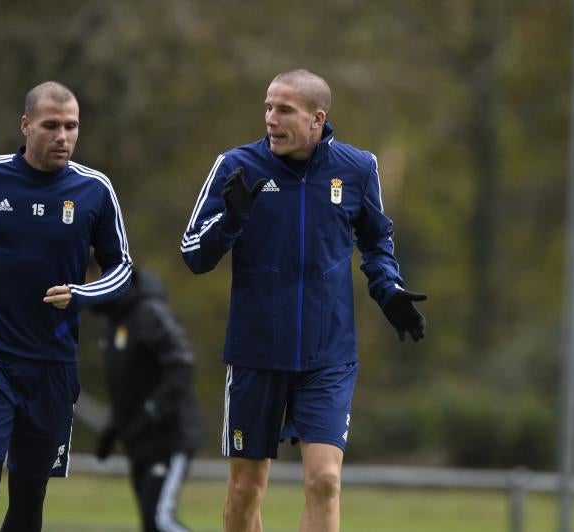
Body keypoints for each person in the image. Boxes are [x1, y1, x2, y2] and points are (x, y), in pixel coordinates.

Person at [180, 69, 427, 532]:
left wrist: (387, 288)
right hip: (256, 354)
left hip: (327, 355)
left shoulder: (357, 169)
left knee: (325, 481)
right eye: (268, 108)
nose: (271, 119)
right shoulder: (237, 166)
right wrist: (231, 220)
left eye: (284, 110)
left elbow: (376, 242)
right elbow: (194, 255)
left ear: (317, 119)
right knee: (246, 489)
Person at [0, 81, 132, 532]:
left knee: (29, 495)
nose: (63, 136)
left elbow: (123, 270)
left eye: (71, 126)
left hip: (52, 364)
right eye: (51, 125)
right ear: (25, 125)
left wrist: (82, 294)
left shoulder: (95, 189)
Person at [90, 266, 202, 532]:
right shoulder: (112, 324)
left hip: (168, 438)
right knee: (150, 525)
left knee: (161, 520)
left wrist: (153, 410)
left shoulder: (149, 313)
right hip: (139, 442)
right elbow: (130, 384)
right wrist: (114, 426)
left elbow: (182, 365)